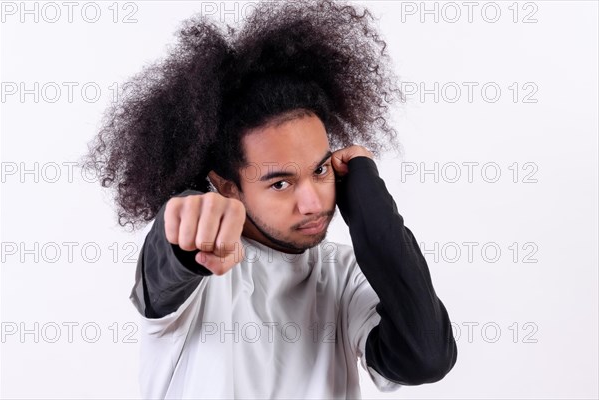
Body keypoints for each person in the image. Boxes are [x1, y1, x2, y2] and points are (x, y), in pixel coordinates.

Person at [83, 0, 457, 398]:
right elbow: (167, 265)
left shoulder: (344, 273)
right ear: (227, 187)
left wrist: (370, 200)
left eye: (319, 170)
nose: (312, 203)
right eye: (280, 183)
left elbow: (425, 357)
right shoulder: (198, 271)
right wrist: (188, 234)